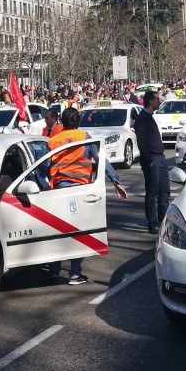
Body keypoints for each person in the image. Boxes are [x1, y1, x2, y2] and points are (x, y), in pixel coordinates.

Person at [44, 107, 127, 284]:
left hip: (58, 190)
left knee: (58, 232)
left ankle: (53, 270)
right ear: (78, 122)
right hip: (79, 191)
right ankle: (74, 274)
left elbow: (44, 167)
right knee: (77, 233)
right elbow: (101, 160)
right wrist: (116, 182)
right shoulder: (84, 138)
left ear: (63, 122)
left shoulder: (53, 141)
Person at [134, 89, 167, 235]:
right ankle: (152, 223)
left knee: (164, 191)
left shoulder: (150, 116)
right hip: (152, 159)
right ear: (151, 101)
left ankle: (164, 221)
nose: (159, 102)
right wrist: (149, 161)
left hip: (160, 157)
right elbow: (142, 143)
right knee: (152, 192)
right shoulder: (142, 118)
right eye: (157, 99)